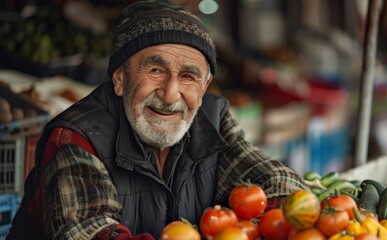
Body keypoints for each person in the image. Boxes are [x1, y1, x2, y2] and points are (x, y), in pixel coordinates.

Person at [8, 1, 308, 239]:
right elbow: (91, 233)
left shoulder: (213, 117)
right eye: (155, 71)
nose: (170, 94)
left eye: (188, 76)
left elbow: (279, 183)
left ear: (204, 88)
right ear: (120, 79)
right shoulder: (76, 137)